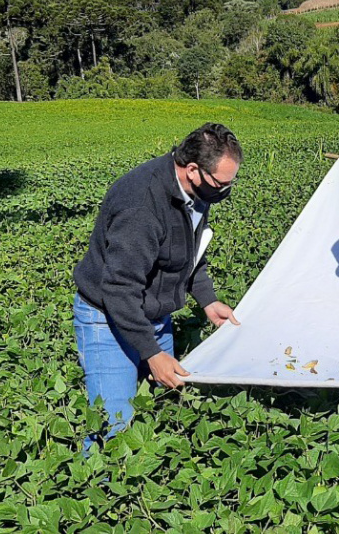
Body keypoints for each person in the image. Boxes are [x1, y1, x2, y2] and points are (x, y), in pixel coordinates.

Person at [73, 122, 242, 454]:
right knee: (114, 428)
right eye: (222, 183)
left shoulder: (193, 190)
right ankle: (99, 493)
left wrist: (207, 300)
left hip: (154, 311)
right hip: (108, 318)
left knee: (164, 405)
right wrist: (152, 353)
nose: (226, 190)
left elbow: (191, 249)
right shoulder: (141, 207)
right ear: (193, 170)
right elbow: (119, 290)